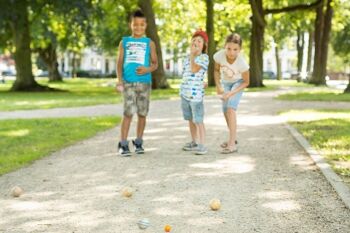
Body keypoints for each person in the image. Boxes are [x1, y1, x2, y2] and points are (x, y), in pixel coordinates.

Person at [116, 10, 158, 156]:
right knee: (128, 113)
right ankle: (123, 143)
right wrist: (120, 80)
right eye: (135, 24)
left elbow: (155, 64)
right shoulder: (125, 42)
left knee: (142, 113)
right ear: (131, 25)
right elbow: (119, 62)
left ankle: (139, 141)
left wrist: (147, 69)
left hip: (144, 83)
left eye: (141, 24)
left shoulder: (149, 43)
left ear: (146, 25)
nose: (138, 27)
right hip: (128, 83)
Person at [213, 33, 250, 154]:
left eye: (235, 49)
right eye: (228, 48)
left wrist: (231, 93)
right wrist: (218, 86)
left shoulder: (242, 63)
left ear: (240, 50)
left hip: (238, 83)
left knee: (230, 109)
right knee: (225, 110)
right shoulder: (219, 56)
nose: (231, 52)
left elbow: (246, 82)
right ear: (225, 46)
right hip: (226, 83)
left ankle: (232, 144)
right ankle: (233, 138)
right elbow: (216, 70)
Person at [180, 29, 209, 155]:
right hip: (185, 94)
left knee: (198, 120)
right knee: (190, 119)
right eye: (194, 41)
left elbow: (194, 69)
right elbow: (185, 74)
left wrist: (193, 55)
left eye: (199, 41)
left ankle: (202, 145)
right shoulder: (186, 58)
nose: (196, 43)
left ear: (203, 46)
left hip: (196, 96)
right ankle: (194, 141)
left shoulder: (204, 58)